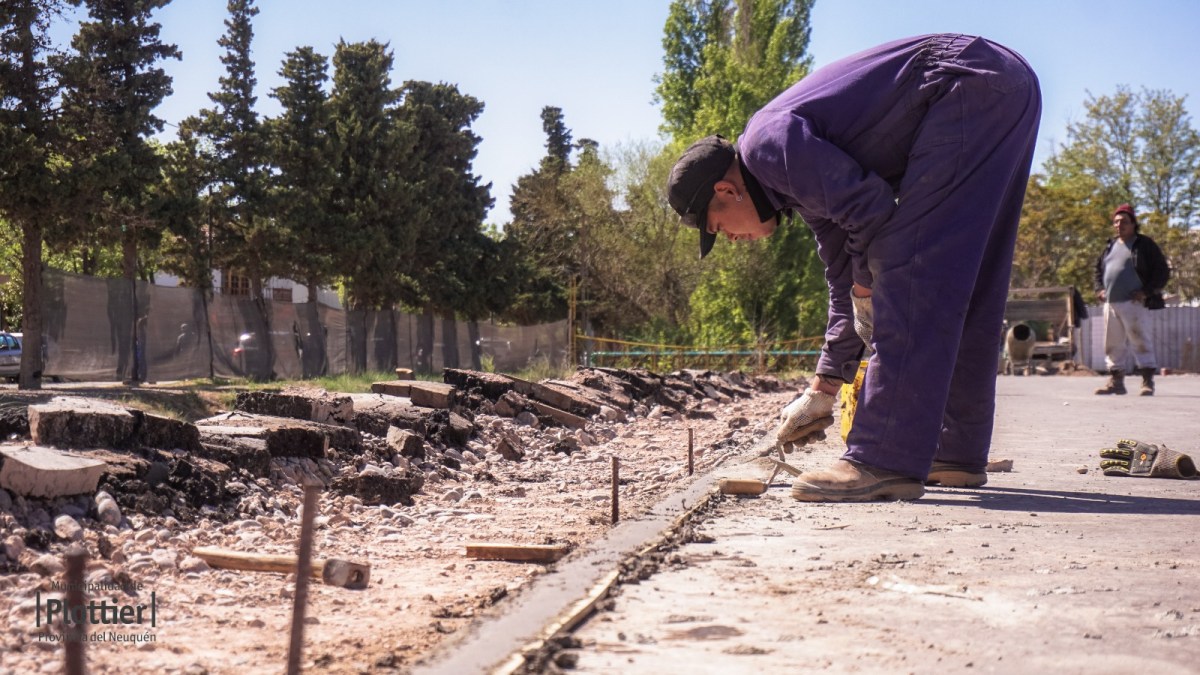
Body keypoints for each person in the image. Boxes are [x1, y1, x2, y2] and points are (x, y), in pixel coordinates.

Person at [666, 34, 1041, 502]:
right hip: (998, 84)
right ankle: (954, 450)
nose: (729, 238)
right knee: (968, 274)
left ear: (726, 191)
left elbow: (872, 213)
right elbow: (845, 278)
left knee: (908, 268)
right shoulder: (792, 179)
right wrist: (823, 386)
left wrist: (868, 286)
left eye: (717, 227)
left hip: (965, 84)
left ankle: (884, 458)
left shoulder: (767, 146)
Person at [1092, 204, 1170, 396]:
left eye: (1124, 222)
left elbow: (1162, 271)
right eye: (1116, 222)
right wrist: (1099, 290)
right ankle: (1116, 382)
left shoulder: (1144, 245)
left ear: (1134, 224)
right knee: (1112, 344)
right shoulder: (1109, 246)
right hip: (1111, 303)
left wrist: (1146, 292)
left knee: (1140, 340)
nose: (1119, 225)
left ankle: (1147, 382)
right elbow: (1097, 271)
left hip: (1134, 304)